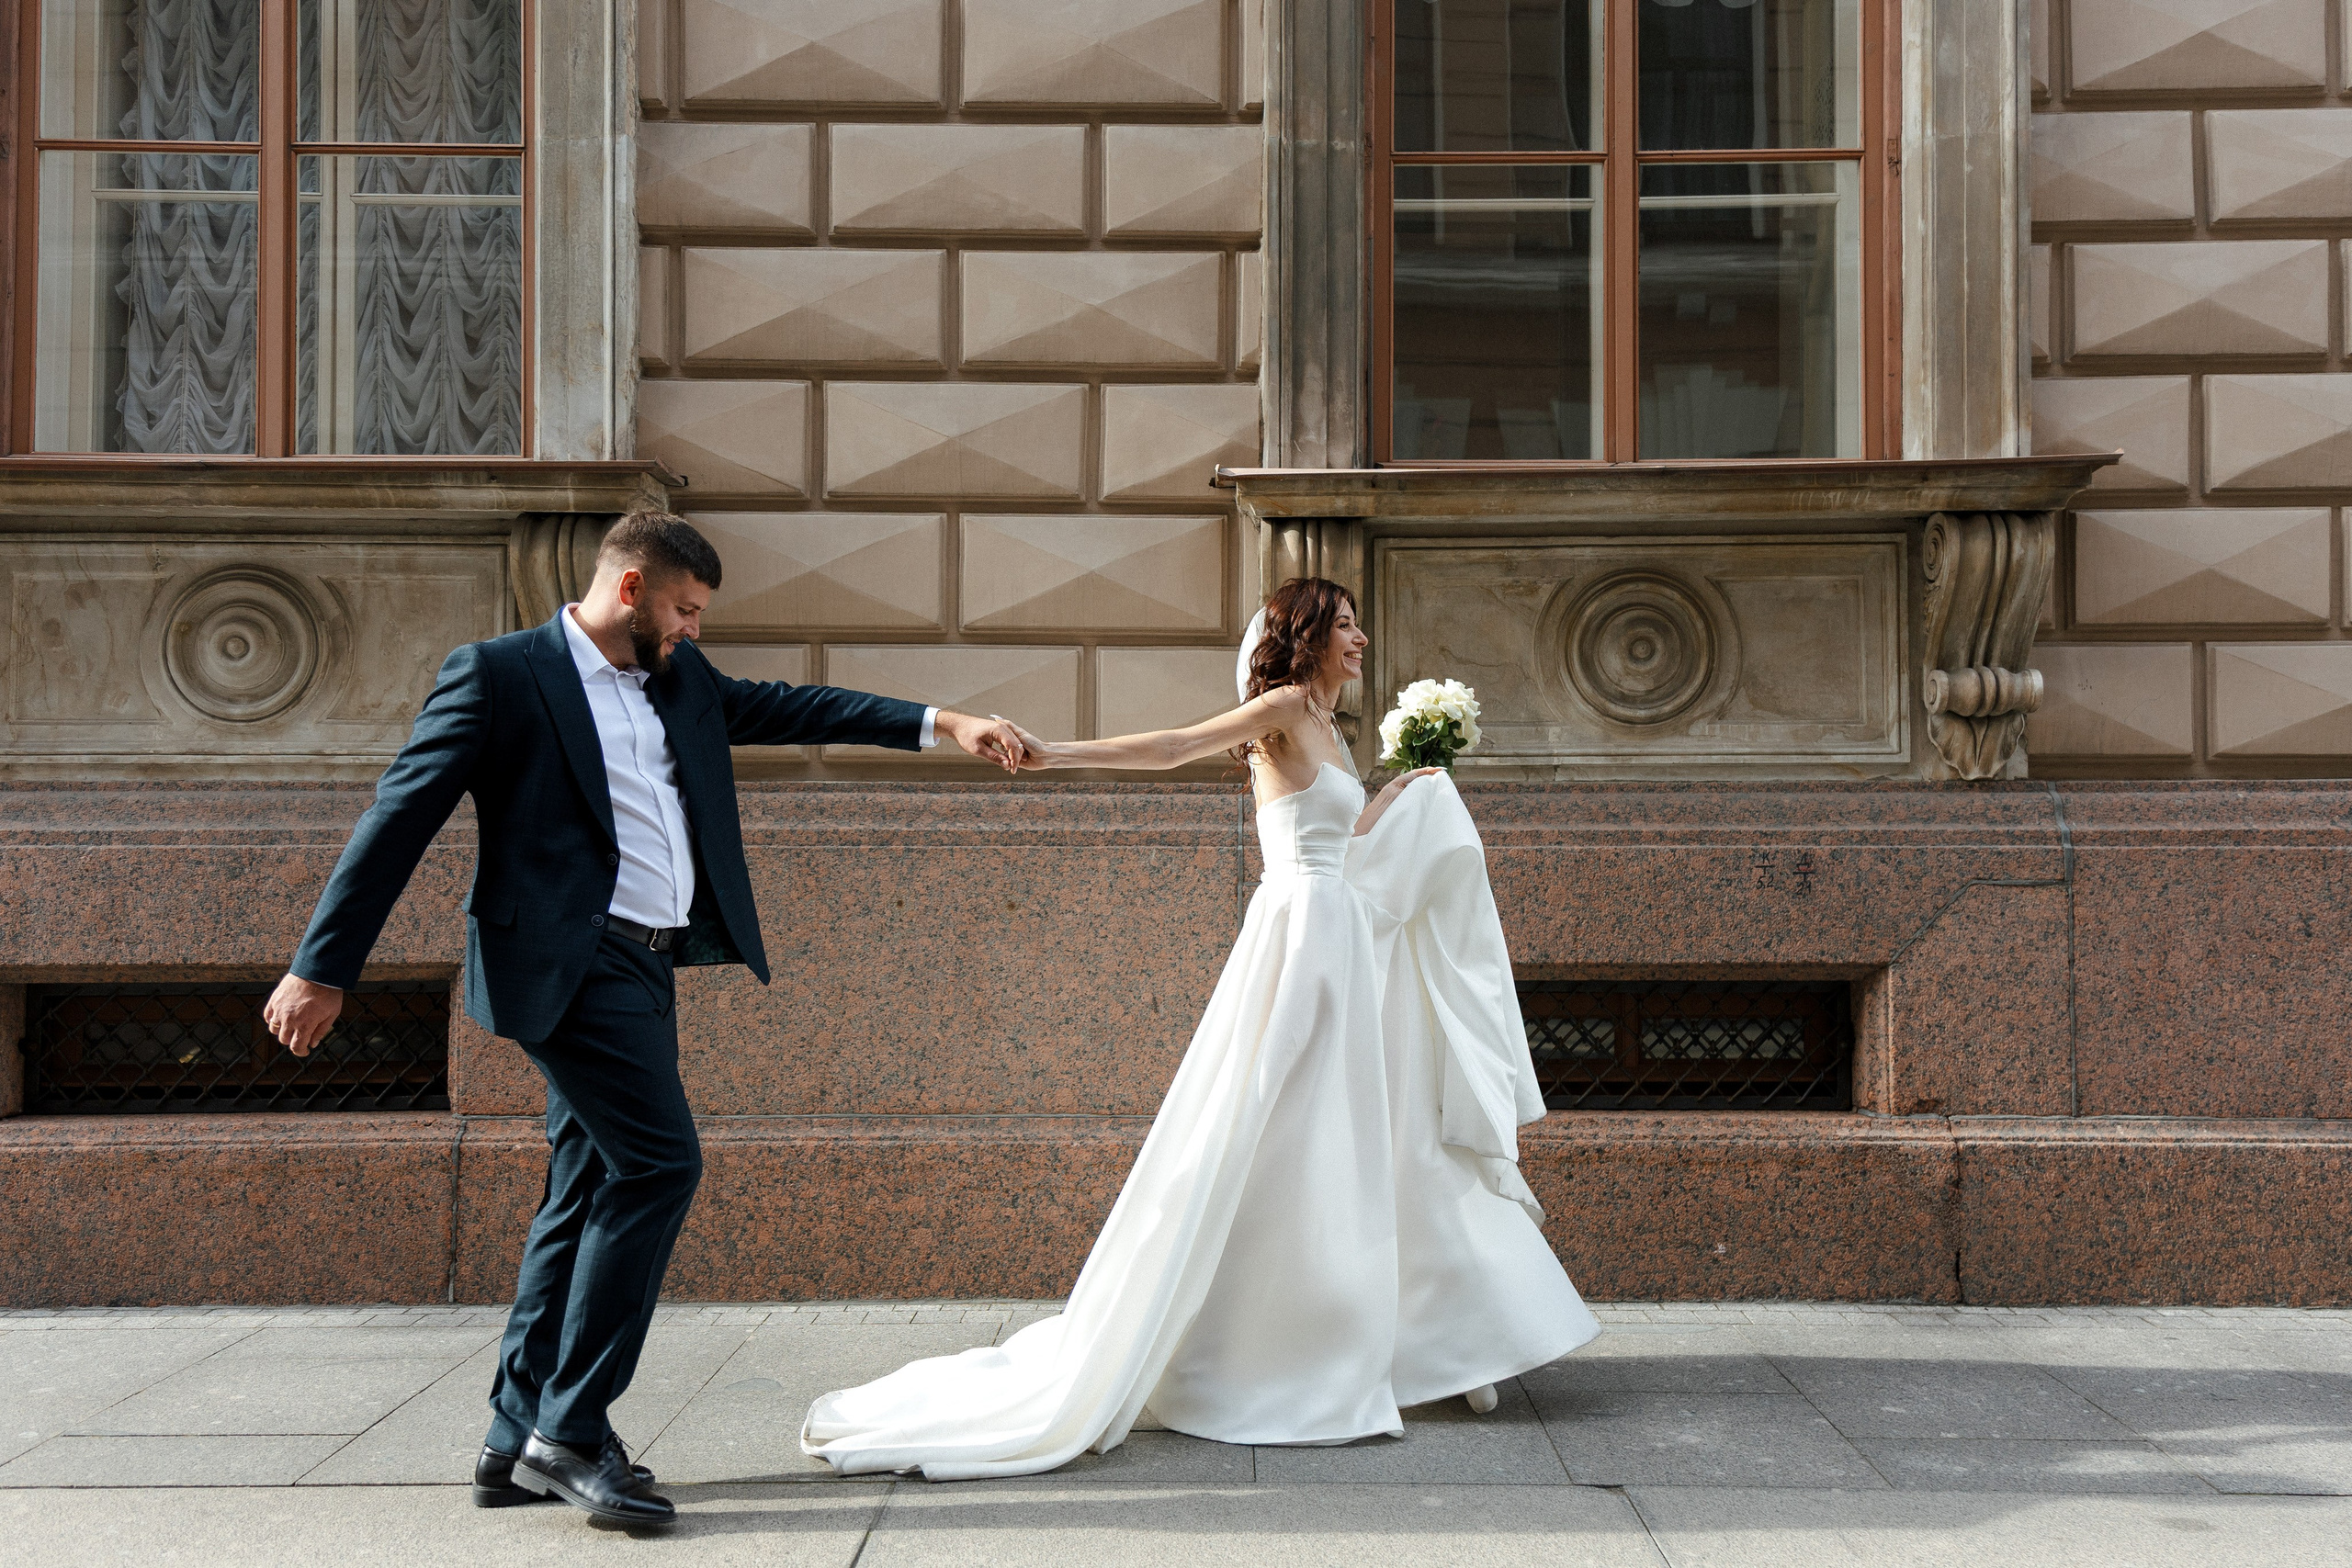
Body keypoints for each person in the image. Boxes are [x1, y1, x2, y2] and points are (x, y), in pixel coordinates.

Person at [259, 512, 1026, 1526]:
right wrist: (322, 967)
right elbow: (398, 815)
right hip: (568, 967)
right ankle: (572, 1432)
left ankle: (513, 1432)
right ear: (630, 592)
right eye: (685, 608)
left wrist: (945, 723)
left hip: (648, 968)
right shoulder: (499, 674)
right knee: (661, 1166)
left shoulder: (678, 681)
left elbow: (802, 706)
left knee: (581, 1187)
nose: (694, 629)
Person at [800, 576, 1597, 1480]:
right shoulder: (1284, 707)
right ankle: (1274, 1343)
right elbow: (1176, 745)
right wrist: (1056, 752)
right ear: (1302, 639)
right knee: (1279, 1127)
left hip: (1334, 936)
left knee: (1329, 1135)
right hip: (1298, 944)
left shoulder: (1326, 727)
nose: (1360, 639)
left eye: (1356, 626)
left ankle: (1358, 1330)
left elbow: (1340, 836)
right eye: (1343, 626)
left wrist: (1407, 791)